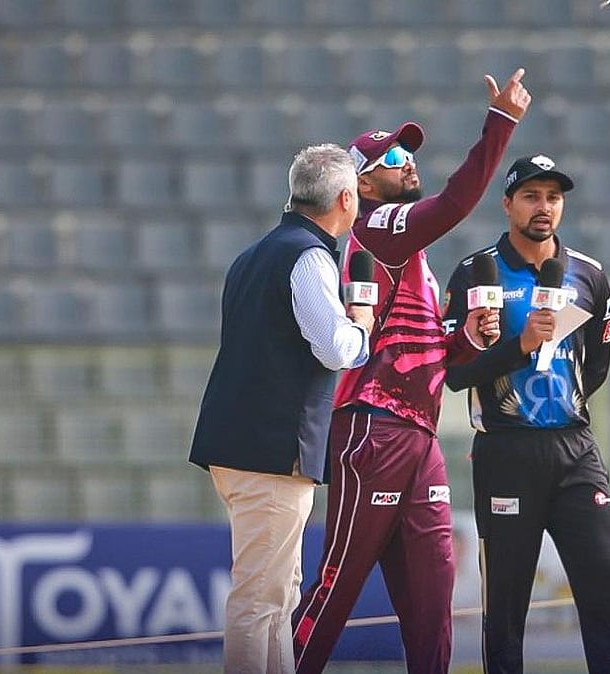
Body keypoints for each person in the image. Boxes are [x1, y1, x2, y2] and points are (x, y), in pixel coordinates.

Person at [291, 69, 530, 674]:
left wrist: (464, 340)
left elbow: (426, 351)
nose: (409, 164)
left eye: (408, 154)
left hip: (416, 434)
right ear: (362, 181)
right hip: (373, 427)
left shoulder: (410, 253)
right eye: (395, 157)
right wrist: (501, 123)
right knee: (338, 586)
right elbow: (455, 202)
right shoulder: (374, 226)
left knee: (432, 597)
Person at [442, 154, 610, 673]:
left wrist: (560, 405)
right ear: (507, 204)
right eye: (531, 195)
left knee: (607, 591)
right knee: (505, 608)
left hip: (575, 449)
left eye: (553, 197)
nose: (544, 206)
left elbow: (595, 366)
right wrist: (520, 347)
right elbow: (455, 374)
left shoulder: (590, 275)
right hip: (506, 452)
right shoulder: (474, 273)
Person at [188, 144, 374, 674]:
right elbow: (334, 348)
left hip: (245, 446)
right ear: (344, 198)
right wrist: (360, 324)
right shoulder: (307, 256)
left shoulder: (252, 255)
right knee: (259, 600)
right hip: (270, 452)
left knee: (278, 593)